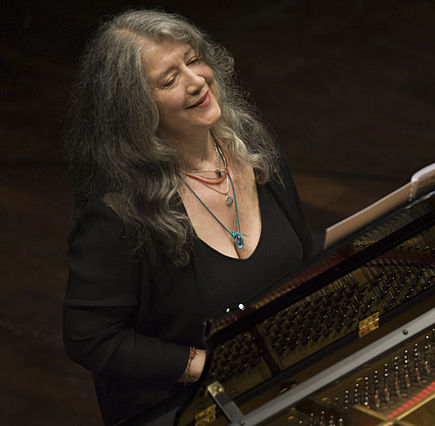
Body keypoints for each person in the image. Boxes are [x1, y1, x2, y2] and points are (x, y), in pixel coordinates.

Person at [62, 9, 318, 425]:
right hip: (187, 409)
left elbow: (303, 249)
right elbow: (89, 339)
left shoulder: (254, 150)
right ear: (135, 109)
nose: (197, 80)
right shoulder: (117, 215)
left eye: (194, 60)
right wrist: (206, 365)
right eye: (170, 79)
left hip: (286, 377)